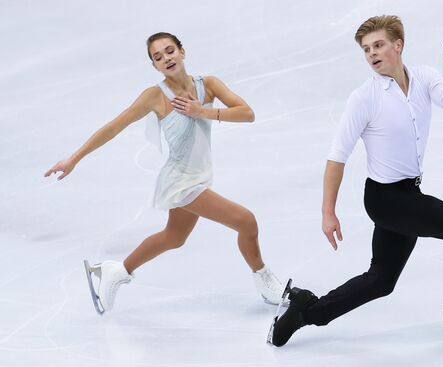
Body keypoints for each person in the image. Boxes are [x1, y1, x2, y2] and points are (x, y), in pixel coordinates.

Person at [269, 15, 443, 346]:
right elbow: (337, 157)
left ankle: (306, 310)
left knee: (381, 281)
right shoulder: (364, 98)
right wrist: (328, 211)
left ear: (398, 45)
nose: (372, 54)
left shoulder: (423, 78)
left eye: (378, 45)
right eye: (366, 49)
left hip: (408, 194)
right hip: (386, 200)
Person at [44, 32, 284, 314]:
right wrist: (74, 158)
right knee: (246, 221)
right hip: (181, 182)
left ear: (182, 51)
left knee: (174, 237)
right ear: (155, 66)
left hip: (199, 176)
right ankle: (265, 281)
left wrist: (203, 112)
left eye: (170, 51)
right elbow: (113, 127)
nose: (166, 58)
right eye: (157, 57)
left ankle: (115, 271)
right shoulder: (155, 96)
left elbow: (247, 113)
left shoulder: (208, 85)